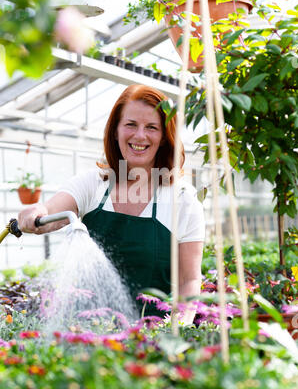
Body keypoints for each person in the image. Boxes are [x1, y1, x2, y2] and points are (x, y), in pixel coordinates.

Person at [18, 84, 205, 324]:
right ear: (115, 131)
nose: (140, 135)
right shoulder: (93, 184)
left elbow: (189, 279)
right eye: (130, 125)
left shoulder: (182, 200)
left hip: (152, 342)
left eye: (152, 127)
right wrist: (36, 212)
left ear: (164, 137)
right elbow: (51, 212)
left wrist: (176, 329)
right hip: (88, 336)